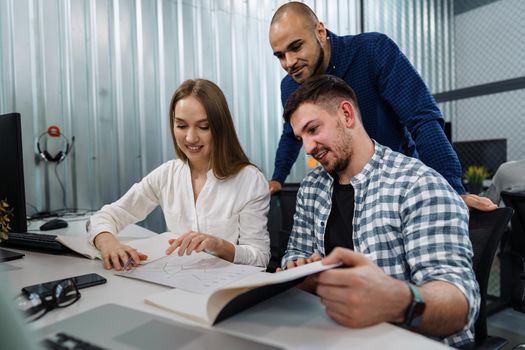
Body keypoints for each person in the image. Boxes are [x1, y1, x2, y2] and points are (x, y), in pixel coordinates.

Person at [280, 75, 479, 347]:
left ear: (347, 114)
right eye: (300, 137)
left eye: (313, 130)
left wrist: (398, 300)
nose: (308, 148)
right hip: (331, 334)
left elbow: (460, 304)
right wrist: (299, 269)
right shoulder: (311, 187)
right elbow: (295, 253)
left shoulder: (417, 184)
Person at [267, 1, 495, 212]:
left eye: (296, 47)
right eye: (280, 56)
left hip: (398, 186)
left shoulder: (373, 51)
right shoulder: (290, 88)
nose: (289, 63)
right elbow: (290, 135)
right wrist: (277, 178)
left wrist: (452, 191)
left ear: (320, 32)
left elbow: (422, 119)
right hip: (346, 194)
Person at [88, 79, 270, 270]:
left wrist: (219, 245)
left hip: (226, 291)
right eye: (181, 126)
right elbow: (106, 216)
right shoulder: (167, 174)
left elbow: (260, 257)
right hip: (175, 286)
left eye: (204, 127)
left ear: (220, 128)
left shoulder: (249, 180)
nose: (191, 138)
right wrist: (108, 243)